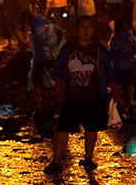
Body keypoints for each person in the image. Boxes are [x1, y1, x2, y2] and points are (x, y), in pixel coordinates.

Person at [45, 16, 120, 175]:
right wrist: (58, 89)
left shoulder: (99, 50)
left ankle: (88, 158)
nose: (86, 30)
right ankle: (56, 160)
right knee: (62, 128)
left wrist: (115, 90)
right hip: (71, 97)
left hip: (93, 97)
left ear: (93, 30)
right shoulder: (68, 48)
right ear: (77, 29)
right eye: (83, 27)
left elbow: (109, 70)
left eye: (89, 27)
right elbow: (58, 69)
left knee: (91, 128)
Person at [23, 10, 65, 110]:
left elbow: (37, 41)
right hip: (52, 55)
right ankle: (60, 102)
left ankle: (39, 106)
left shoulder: (34, 27)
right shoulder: (49, 24)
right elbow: (60, 33)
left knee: (35, 82)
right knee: (57, 79)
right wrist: (56, 47)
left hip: (40, 57)